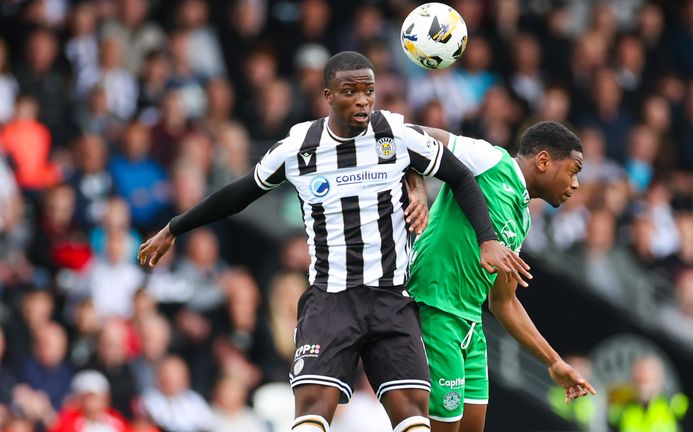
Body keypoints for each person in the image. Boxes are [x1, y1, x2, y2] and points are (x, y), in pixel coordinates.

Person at [138, 51, 524, 432]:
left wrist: (487, 239)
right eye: (350, 91)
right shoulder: (298, 146)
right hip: (330, 300)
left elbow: (461, 177)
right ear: (328, 95)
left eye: (368, 91)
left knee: (413, 416)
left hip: (391, 299)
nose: (362, 100)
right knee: (311, 411)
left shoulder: (394, 134)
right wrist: (175, 228)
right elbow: (239, 193)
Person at [406, 121, 596, 432]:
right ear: (544, 161)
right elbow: (411, 133)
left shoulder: (522, 218)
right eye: (574, 171)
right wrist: (416, 188)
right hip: (435, 310)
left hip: (471, 327)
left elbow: (504, 302)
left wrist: (553, 361)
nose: (576, 184)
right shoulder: (490, 160)